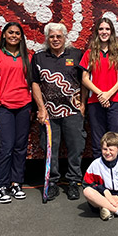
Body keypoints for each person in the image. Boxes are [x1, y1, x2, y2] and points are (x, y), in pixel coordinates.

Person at [31, 22, 86, 201]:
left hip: (73, 111)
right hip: (49, 113)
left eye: (58, 36)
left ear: (65, 37)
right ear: (47, 38)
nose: (55, 39)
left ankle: (73, 182)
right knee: (50, 149)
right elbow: (35, 84)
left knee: (75, 148)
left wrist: (83, 104)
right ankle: (52, 182)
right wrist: (41, 108)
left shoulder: (77, 55)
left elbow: (84, 81)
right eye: (52, 36)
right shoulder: (39, 57)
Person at [0, 22, 34, 204]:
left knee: (20, 147)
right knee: (6, 147)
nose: (14, 35)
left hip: (24, 107)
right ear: (4, 35)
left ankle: (16, 183)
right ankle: (1, 186)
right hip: (3, 107)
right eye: (10, 32)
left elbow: (33, 84)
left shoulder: (28, 57)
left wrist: (34, 108)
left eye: (17, 33)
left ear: (21, 37)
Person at [79, 17, 118, 158]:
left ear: (111, 31)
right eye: (101, 29)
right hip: (95, 101)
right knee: (98, 141)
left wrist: (108, 94)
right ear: (97, 32)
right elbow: (84, 78)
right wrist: (101, 94)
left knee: (117, 140)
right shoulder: (89, 53)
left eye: (107, 29)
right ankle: (99, 176)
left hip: (116, 101)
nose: (104, 32)